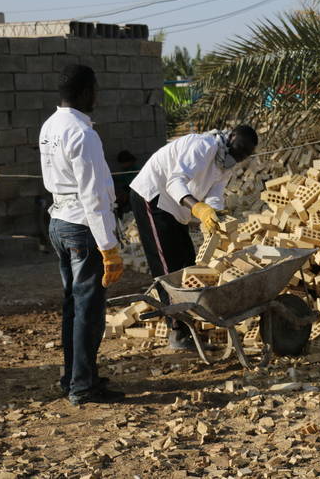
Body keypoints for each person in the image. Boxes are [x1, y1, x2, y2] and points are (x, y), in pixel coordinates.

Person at [39, 64, 125, 405]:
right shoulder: (82, 133)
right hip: (81, 226)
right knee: (88, 309)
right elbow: (92, 195)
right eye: (96, 89)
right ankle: (83, 386)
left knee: (73, 306)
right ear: (87, 91)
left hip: (59, 221)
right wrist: (109, 248)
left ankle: (73, 377)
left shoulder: (50, 126)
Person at [129, 125, 258, 348]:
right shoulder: (203, 146)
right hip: (153, 197)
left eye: (244, 155)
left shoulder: (225, 163)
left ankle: (190, 323)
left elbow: (215, 193)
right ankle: (177, 332)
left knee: (187, 262)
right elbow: (174, 181)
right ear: (231, 138)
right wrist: (198, 208)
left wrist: (215, 213)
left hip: (176, 208)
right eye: (239, 150)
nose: (239, 157)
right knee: (167, 266)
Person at [112, 150, 138, 217]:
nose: (121, 165)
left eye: (122, 163)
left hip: (134, 193)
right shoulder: (125, 171)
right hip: (127, 192)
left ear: (128, 161)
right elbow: (119, 179)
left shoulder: (136, 170)